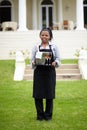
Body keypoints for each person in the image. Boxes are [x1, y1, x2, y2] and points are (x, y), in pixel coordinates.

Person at [30, 28, 61, 121]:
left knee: (49, 94)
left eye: (46, 35)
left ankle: (48, 116)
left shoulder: (54, 47)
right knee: (37, 94)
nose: (44, 37)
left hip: (50, 73)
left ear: (50, 36)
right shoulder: (36, 47)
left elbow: (58, 59)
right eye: (42, 35)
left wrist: (55, 62)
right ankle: (40, 116)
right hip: (39, 73)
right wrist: (34, 61)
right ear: (40, 36)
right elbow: (31, 60)